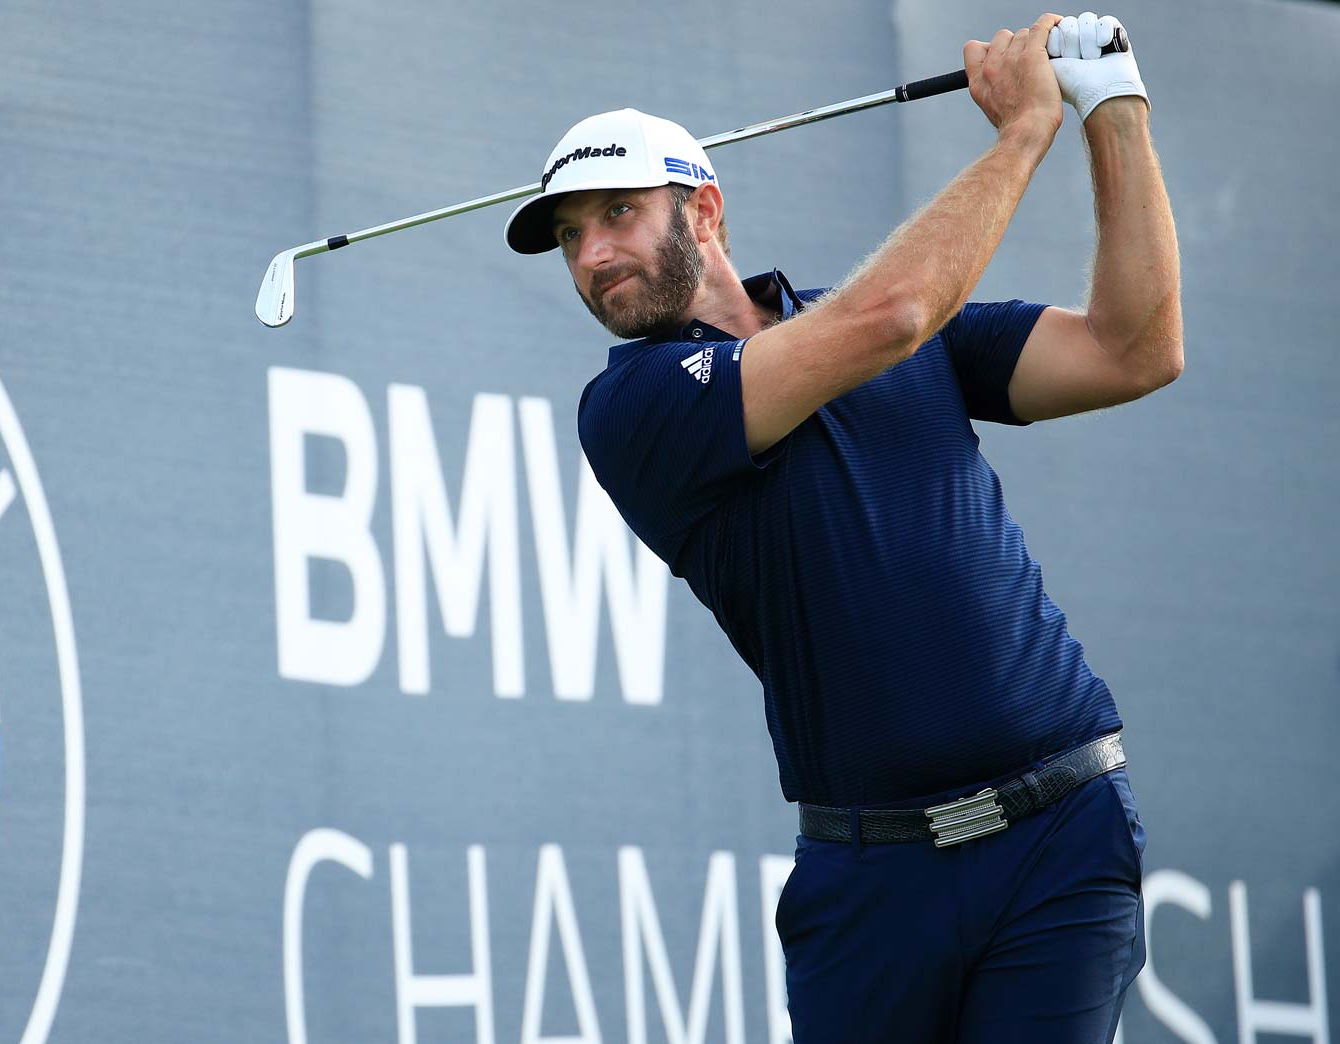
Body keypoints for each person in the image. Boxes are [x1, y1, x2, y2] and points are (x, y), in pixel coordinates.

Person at [503, 12, 1180, 1043]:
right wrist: (1018, 134)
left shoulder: (880, 325)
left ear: (705, 213)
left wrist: (1111, 109)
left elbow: (1133, 349)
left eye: (617, 213)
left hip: (1059, 833)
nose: (591, 254)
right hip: (871, 879)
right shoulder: (632, 407)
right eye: (567, 236)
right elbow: (888, 318)